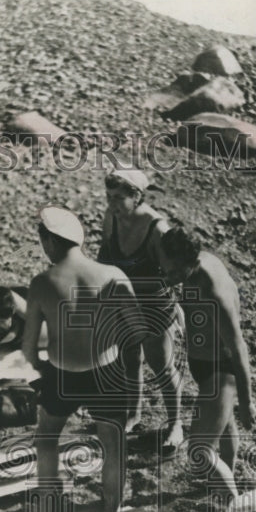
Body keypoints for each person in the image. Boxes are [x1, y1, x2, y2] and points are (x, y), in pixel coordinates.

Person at [22, 206, 145, 512]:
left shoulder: (42, 283)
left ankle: (49, 505)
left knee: (47, 438)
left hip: (62, 372)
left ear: (49, 241)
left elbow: (29, 348)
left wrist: (40, 369)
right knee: (114, 446)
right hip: (106, 370)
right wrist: (136, 396)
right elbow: (134, 341)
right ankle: (111, 508)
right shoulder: (114, 276)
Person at [156, 226, 256, 484]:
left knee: (199, 452)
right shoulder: (194, 265)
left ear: (191, 263)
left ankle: (230, 499)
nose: (167, 276)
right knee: (225, 426)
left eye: (172, 271)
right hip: (204, 365)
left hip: (221, 371)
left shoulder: (212, 292)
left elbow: (239, 348)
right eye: (164, 267)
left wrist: (247, 401)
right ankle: (224, 478)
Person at [98, 168, 184, 453]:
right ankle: (133, 413)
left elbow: (176, 271)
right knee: (129, 358)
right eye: (109, 196)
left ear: (137, 196)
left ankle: (175, 423)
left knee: (161, 366)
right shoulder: (111, 217)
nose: (112, 203)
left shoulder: (157, 229)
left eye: (119, 197)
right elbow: (103, 256)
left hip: (154, 303)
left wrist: (175, 310)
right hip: (124, 300)